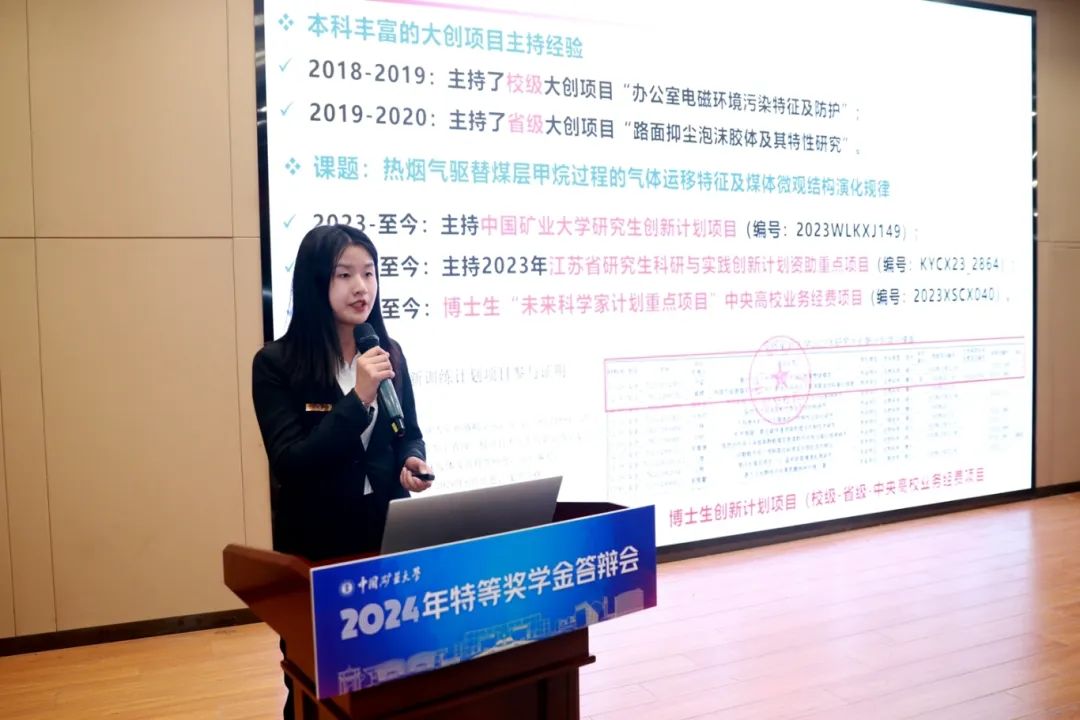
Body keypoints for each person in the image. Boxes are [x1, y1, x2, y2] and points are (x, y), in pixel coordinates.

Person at [251, 223, 433, 718]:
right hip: (319, 544)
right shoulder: (276, 365)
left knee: (393, 670)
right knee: (318, 679)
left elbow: (407, 432)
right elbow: (292, 462)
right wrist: (357, 398)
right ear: (316, 283)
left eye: (369, 273)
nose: (361, 287)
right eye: (345, 274)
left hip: (387, 535)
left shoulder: (388, 352)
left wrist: (411, 460)